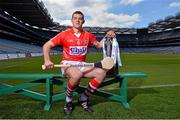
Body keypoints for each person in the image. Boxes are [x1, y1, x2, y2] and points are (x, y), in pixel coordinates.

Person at [43, 11, 116, 115]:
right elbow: (46, 45)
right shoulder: (64, 34)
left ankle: (83, 98)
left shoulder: (88, 35)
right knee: (77, 75)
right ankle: (68, 101)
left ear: (83, 21)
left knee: (101, 73)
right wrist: (47, 60)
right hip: (67, 64)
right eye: (75, 18)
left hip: (82, 64)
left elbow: (99, 45)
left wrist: (108, 35)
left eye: (80, 18)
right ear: (72, 20)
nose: (77, 20)